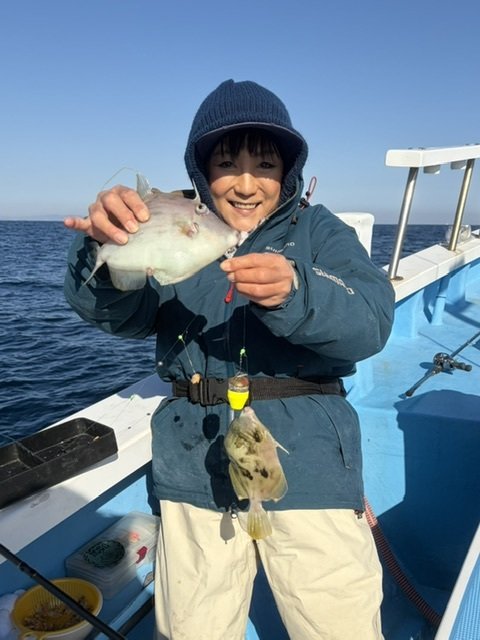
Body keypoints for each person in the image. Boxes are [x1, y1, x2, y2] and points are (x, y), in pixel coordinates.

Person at [64, 79, 395, 640]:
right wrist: (106, 246)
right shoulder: (177, 224)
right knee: (193, 628)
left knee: (338, 624)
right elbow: (123, 316)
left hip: (309, 464)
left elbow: (371, 320)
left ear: (288, 171)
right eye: (226, 164)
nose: (245, 184)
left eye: (264, 164)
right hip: (194, 465)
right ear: (202, 172)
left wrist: (298, 290)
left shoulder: (319, 230)